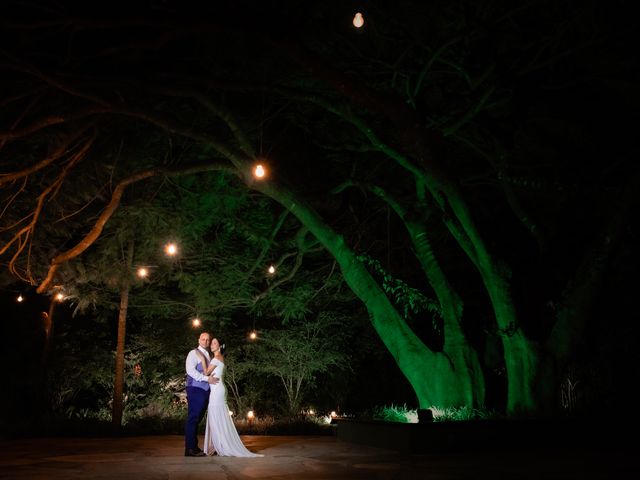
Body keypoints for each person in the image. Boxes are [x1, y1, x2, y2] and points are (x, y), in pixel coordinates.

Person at [196, 338, 263, 457]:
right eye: (211, 343)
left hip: (217, 391)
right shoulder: (218, 358)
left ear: (220, 346)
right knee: (216, 418)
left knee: (216, 417)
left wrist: (201, 359)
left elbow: (206, 373)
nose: (211, 344)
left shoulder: (217, 358)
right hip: (218, 389)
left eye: (214, 343)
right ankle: (217, 445)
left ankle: (219, 445)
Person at [184, 332, 219, 457]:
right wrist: (206, 379)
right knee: (193, 418)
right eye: (203, 339)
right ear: (199, 340)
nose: (205, 341)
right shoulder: (193, 353)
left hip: (204, 391)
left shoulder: (208, 355)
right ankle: (190, 449)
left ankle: (193, 447)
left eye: (207, 340)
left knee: (197, 419)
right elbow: (190, 371)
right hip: (195, 389)